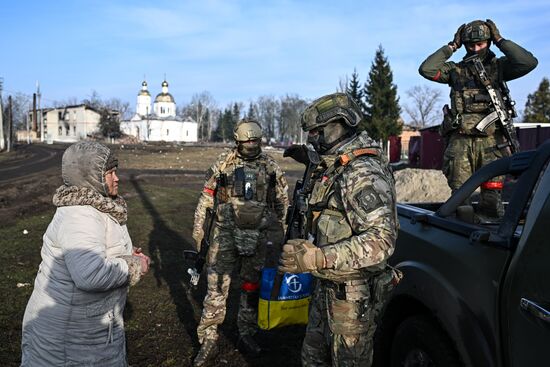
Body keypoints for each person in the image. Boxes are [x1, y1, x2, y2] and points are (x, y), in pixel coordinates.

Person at [278, 93, 399, 366]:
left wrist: (318, 258)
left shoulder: (361, 172)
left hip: (353, 295)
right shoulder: (338, 162)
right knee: (312, 358)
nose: (312, 138)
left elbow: (381, 240)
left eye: (317, 132)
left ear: (340, 125)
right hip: (327, 285)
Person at [21, 141, 150, 366]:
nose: (117, 178)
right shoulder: (80, 214)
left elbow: (100, 249)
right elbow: (89, 275)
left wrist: (128, 254)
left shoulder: (98, 207)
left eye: (115, 172)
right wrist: (134, 265)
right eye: (109, 173)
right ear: (90, 178)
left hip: (89, 332)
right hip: (68, 340)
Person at [192, 119, 289, 366]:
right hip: (225, 234)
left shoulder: (270, 166)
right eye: (247, 142)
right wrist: (198, 230)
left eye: (255, 141)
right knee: (216, 287)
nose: (251, 146)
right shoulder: (223, 164)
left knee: (250, 287)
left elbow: (281, 202)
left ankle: (246, 333)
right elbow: (206, 197)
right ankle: (209, 339)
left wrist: (282, 234)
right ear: (238, 141)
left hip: (258, 236)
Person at [419, 19, 538, 219]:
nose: (476, 49)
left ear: (488, 42)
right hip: (460, 142)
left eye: (481, 44)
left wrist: (500, 40)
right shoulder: (455, 71)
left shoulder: (499, 67)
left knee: (492, 201)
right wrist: (452, 46)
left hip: (492, 143)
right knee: (460, 200)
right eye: (471, 45)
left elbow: (528, 62)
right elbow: (427, 69)